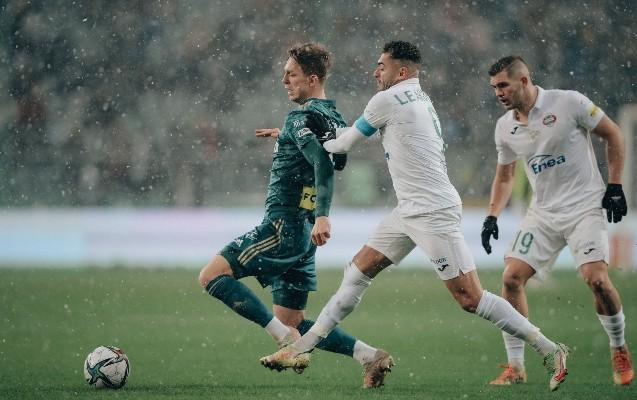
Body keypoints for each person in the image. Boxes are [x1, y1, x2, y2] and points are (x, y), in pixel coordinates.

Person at [260, 41, 570, 392]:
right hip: (410, 208)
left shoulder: (386, 100)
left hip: (431, 210)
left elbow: (342, 145)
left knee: (471, 298)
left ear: (402, 71)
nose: (376, 71)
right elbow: (351, 136)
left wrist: (295, 138)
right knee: (358, 271)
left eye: (382, 66)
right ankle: (302, 347)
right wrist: (294, 135)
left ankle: (550, 349)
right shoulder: (420, 98)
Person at [198, 43, 387, 387]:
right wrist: (288, 137)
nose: (284, 80)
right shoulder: (333, 117)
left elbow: (322, 164)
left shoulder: (299, 117)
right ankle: (369, 356)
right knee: (293, 319)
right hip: (303, 235)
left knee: (212, 276)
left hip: (282, 225)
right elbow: (337, 159)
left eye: (291, 74)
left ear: (312, 79)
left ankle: (286, 342)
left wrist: (324, 215)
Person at [480, 55, 633, 386]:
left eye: (503, 85)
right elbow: (505, 175)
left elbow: (613, 134)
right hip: (543, 214)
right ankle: (516, 367)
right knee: (511, 278)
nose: (498, 93)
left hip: (584, 208)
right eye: (494, 87)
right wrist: (491, 216)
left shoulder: (568, 102)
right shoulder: (505, 126)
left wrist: (615, 185)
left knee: (596, 280)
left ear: (524, 80)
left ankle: (619, 347)